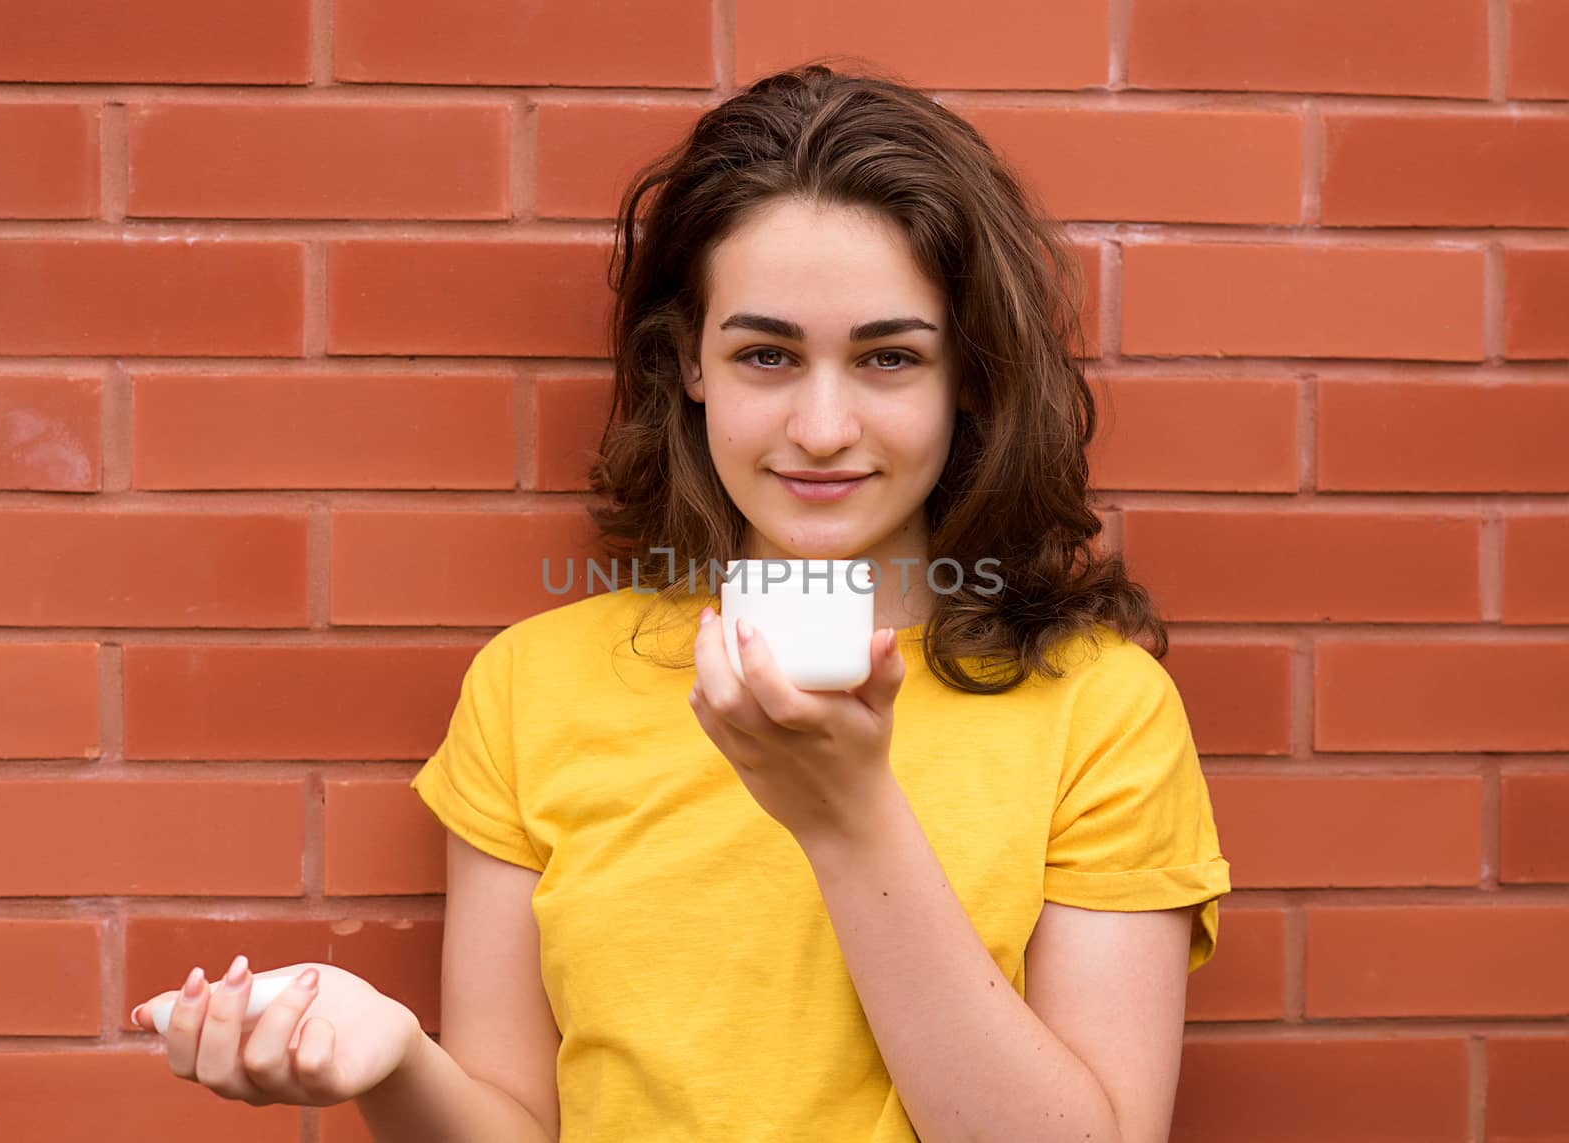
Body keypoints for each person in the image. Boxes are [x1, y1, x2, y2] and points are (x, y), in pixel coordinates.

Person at [129, 62, 1231, 1141]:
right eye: (766, 354)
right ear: (690, 364)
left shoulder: (1098, 710)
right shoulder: (535, 685)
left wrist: (847, 822)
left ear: (969, 379)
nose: (821, 428)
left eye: (888, 359)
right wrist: (396, 1062)